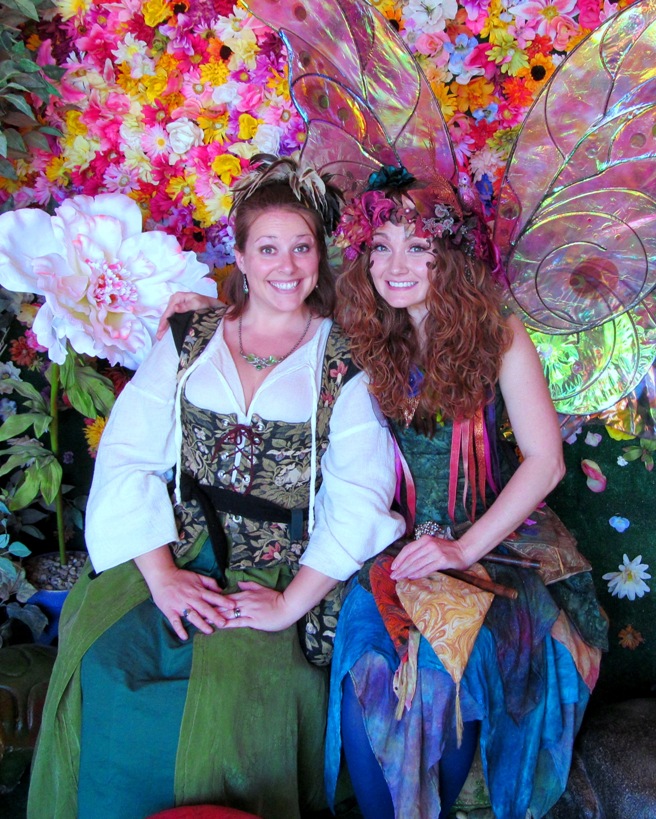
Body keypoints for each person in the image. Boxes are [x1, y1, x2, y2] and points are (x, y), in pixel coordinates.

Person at [27, 156, 405, 819]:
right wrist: (163, 576)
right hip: (176, 546)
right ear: (241, 255)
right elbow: (128, 454)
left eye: (301, 247)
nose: (286, 265)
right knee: (109, 665)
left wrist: (288, 604)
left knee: (239, 692)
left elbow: (359, 495)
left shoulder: (347, 358)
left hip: (283, 563)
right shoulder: (190, 335)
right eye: (268, 248)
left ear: (320, 256)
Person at [320, 172, 609, 819]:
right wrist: (199, 305)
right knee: (367, 676)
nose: (395, 265)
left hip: (491, 544)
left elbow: (546, 462)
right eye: (381, 246)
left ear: (448, 254)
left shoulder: (498, 331)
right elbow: (278, 320)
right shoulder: (365, 329)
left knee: (440, 674)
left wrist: (462, 547)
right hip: (396, 546)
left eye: (417, 246)